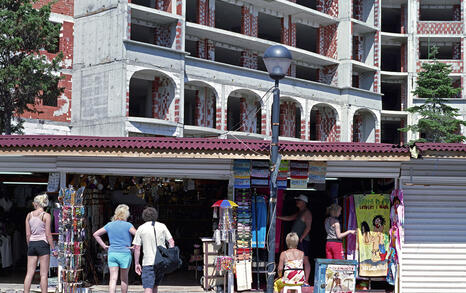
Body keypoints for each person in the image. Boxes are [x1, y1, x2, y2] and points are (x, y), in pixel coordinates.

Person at [93, 204, 137, 293]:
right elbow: (139, 235)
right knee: (124, 279)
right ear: (126, 214)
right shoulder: (128, 225)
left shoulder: (110, 225)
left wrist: (104, 246)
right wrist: (134, 246)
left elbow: (96, 234)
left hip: (112, 253)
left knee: (113, 279)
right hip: (125, 253)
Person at [133, 207, 175, 293]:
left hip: (148, 262)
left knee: (148, 286)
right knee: (155, 285)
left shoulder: (141, 228)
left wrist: (136, 263)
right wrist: (169, 255)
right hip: (161, 261)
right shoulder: (162, 226)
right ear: (155, 215)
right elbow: (171, 242)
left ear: (144, 216)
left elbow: (137, 247)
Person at [24, 193, 58, 293]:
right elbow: (48, 234)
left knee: (29, 273)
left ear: (36, 204)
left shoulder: (29, 215)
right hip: (43, 244)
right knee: (43, 274)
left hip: (32, 244)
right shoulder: (46, 216)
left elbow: (27, 234)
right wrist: (53, 248)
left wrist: (29, 245)